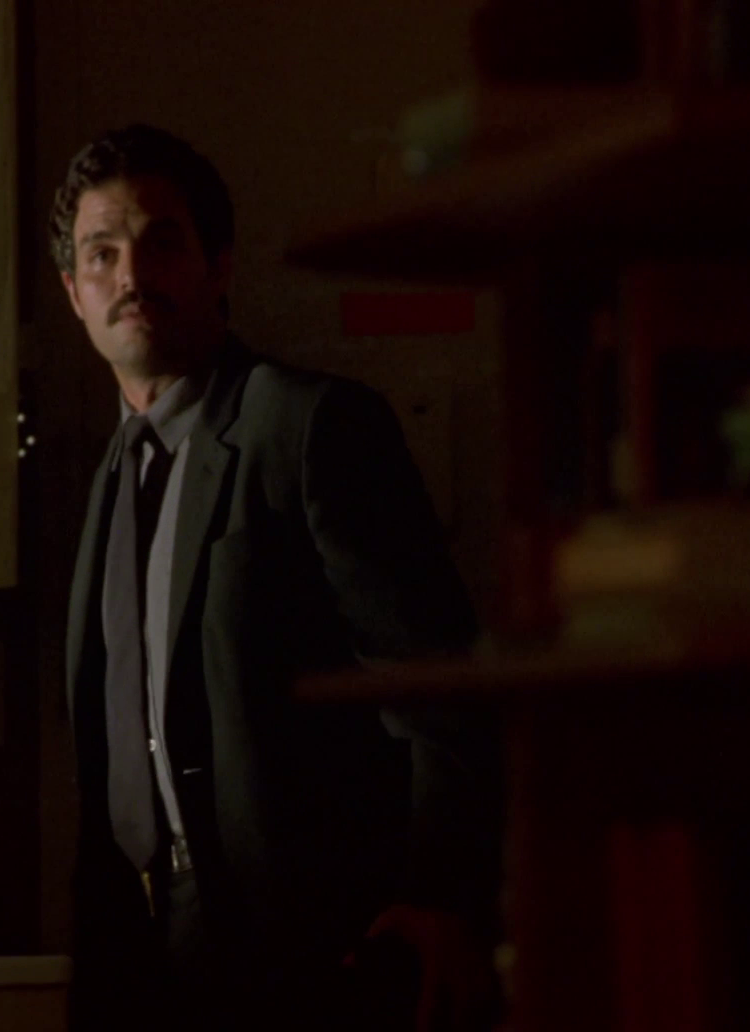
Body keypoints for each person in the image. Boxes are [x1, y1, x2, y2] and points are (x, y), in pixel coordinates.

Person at [54, 124, 502, 1031]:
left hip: (306, 949)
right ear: (73, 292)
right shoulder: (110, 473)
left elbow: (440, 688)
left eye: (161, 242)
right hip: (143, 952)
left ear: (219, 265)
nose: (131, 275)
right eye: (102, 253)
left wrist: (436, 896)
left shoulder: (310, 429)